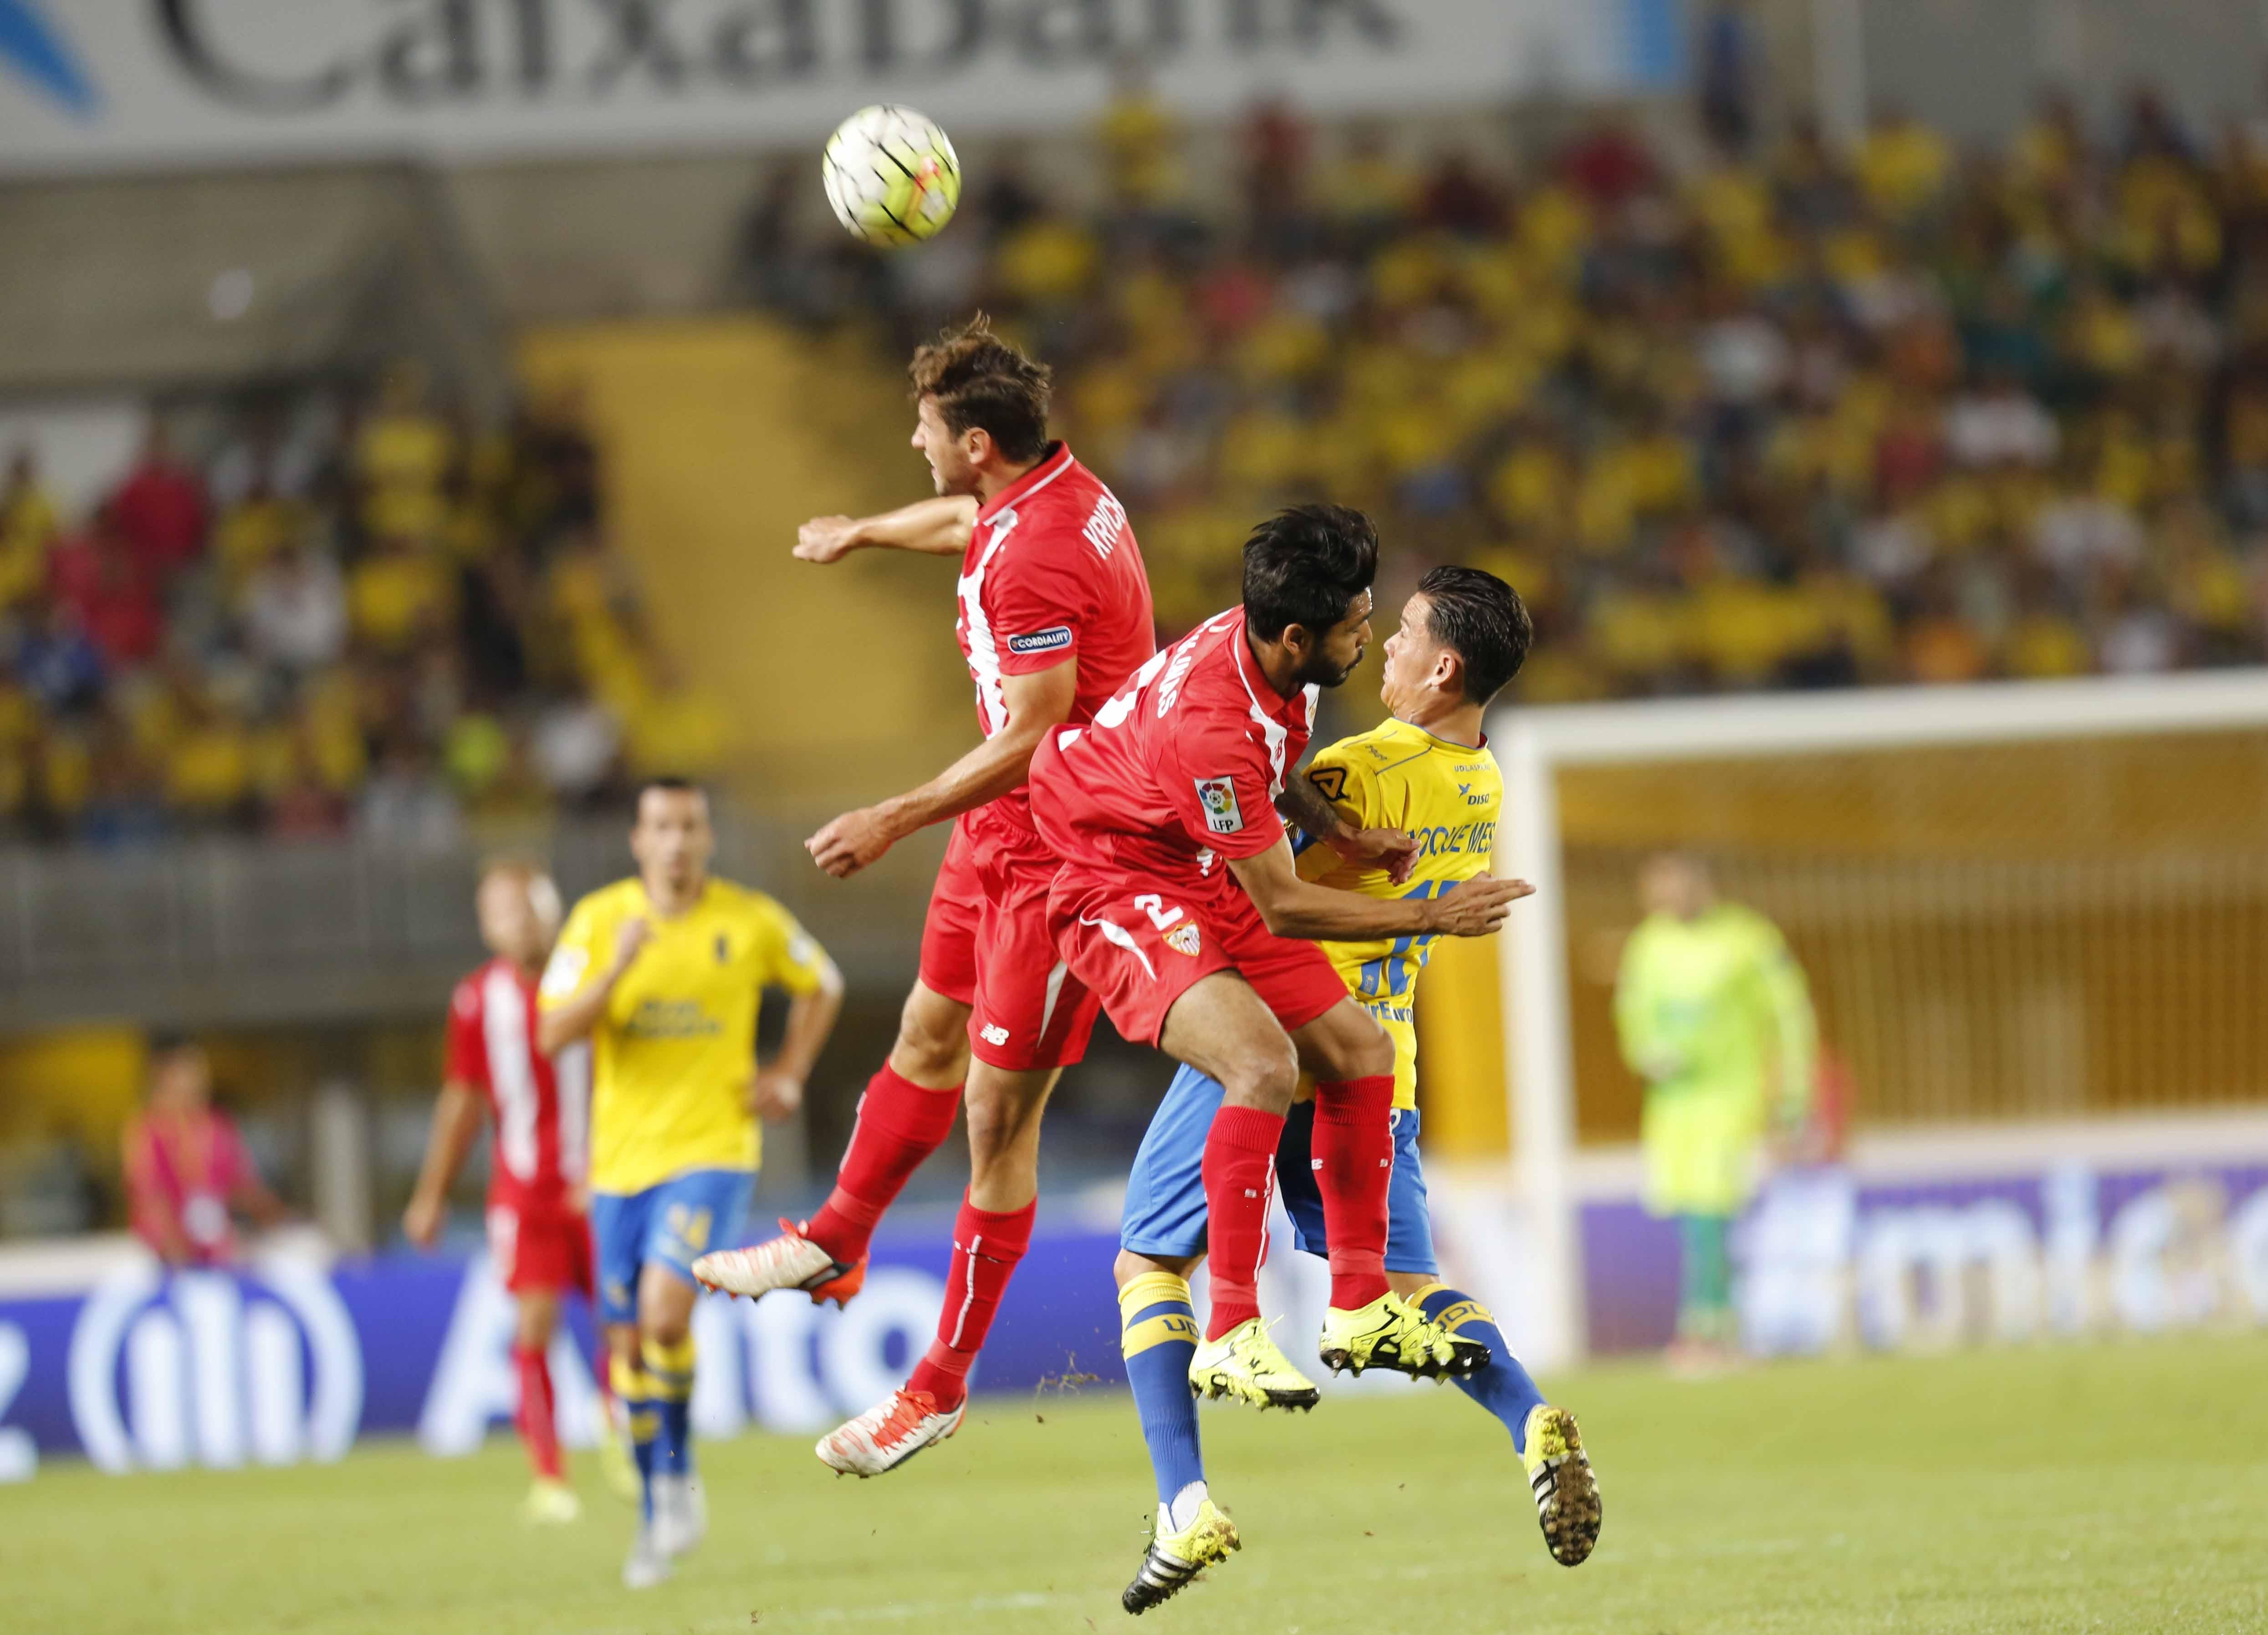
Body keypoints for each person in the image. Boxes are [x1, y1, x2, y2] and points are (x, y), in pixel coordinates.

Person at [690, 319, 1159, 1477]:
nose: (911, 438)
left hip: (1067, 848)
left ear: (981, 442)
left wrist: (892, 813)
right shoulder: (1041, 489)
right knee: (923, 1028)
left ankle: (938, 1387)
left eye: (925, 428)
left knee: (998, 1118)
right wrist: (862, 531)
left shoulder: (1040, 554)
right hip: (1003, 826)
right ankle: (833, 1240)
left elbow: (1036, 723)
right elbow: (962, 520)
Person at [1109, 567, 1600, 1609]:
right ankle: (1527, 1419)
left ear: (1443, 665)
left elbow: (1263, 892)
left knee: (1149, 1258)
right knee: (1404, 1290)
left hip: (1279, 1044)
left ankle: (1182, 1500)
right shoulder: (1481, 778)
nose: (1385, 647)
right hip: (1386, 1063)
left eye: (1405, 632)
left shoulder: (1356, 770)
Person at [1032, 506, 1529, 1426]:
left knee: (1361, 1049)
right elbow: (1283, 903)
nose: (1370, 637)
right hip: (1114, 868)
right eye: (1357, 626)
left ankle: (1358, 1307)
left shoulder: (1280, 659)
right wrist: (1433, 912)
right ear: (1301, 635)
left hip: (1194, 853)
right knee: (1262, 1062)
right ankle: (1230, 1326)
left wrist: (1340, 828)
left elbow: (1276, 768)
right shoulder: (1214, 725)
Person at [537, 778, 843, 1588]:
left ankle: (665, 1493)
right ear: (639, 841)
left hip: (713, 1151)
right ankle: (663, 1495)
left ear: (707, 838)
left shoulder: (747, 920)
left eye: (690, 827)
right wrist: (614, 973)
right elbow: (552, 1031)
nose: (676, 841)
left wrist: (789, 1071)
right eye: (661, 827)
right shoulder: (600, 922)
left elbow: (825, 983)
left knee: (663, 1313)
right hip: (618, 1167)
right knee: (630, 1342)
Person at [402, 859, 634, 1524]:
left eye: (528, 904)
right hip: (525, 1192)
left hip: (602, 1181)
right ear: (486, 923)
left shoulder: (594, 979)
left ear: (553, 908)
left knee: (624, 1323)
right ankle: (550, 1478)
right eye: (502, 909)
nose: (519, 920)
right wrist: (430, 1194)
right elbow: (463, 1102)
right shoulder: (477, 1000)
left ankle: (619, 1429)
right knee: (534, 1325)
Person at [1614, 853, 1817, 1375]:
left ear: (1703, 885)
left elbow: (1791, 1015)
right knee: (1694, 1215)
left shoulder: (1749, 939)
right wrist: (1647, 1050)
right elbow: (1634, 1013)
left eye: (1676, 890)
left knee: (1712, 1212)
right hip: (1673, 1106)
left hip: (1733, 1098)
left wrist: (1793, 1097)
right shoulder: (1649, 944)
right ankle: (1721, 1329)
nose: (1667, 903)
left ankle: (1703, 1330)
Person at [123, 1035, 288, 1268]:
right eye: (186, 1072)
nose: (196, 1081)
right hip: (166, 1249)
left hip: (215, 1238)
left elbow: (239, 1181)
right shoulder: (148, 1131)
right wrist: (171, 1241)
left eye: (199, 1072)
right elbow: (148, 1193)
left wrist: (266, 1208)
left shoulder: (217, 1125)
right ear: (164, 1076)